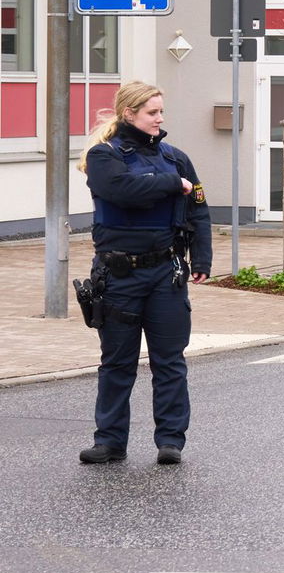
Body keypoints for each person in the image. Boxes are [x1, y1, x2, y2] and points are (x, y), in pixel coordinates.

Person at [76, 82, 211, 466]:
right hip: (118, 276)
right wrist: (171, 184)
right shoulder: (104, 156)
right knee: (117, 362)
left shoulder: (176, 157)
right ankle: (110, 442)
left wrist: (201, 259)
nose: (160, 119)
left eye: (161, 111)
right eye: (152, 112)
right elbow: (122, 191)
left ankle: (170, 441)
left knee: (169, 361)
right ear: (129, 113)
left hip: (164, 274)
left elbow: (199, 209)